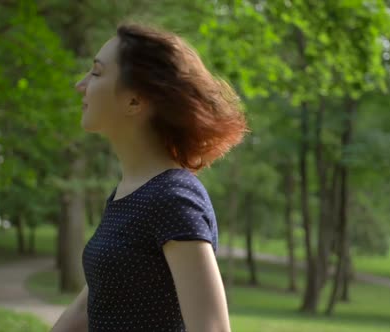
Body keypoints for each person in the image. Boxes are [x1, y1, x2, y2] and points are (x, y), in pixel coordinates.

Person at [51, 23, 247, 332]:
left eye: (97, 73)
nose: (81, 84)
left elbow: (211, 328)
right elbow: (89, 304)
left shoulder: (173, 197)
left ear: (135, 101)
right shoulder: (127, 194)